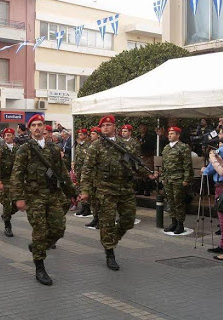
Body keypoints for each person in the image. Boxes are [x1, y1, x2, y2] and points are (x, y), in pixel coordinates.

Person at [80, 115, 155, 271]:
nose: (106, 127)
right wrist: (85, 190)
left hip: (125, 188)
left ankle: (111, 240)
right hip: (105, 189)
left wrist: (148, 174)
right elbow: (87, 170)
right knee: (106, 223)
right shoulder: (96, 146)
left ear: (115, 127)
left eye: (109, 125)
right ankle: (110, 253)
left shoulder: (125, 145)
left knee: (128, 219)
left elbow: (135, 164)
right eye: (103, 126)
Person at [11, 114, 76, 285]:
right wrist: (18, 198)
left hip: (53, 194)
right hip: (34, 197)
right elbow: (17, 175)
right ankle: (39, 266)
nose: (37, 128)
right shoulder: (24, 149)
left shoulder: (53, 149)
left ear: (45, 128)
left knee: (58, 228)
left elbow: (62, 172)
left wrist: (74, 192)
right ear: (30, 129)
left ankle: (37, 247)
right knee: (40, 231)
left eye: (40, 125)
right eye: (34, 125)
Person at [203, 126, 223, 254]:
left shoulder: (221, 150)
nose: (219, 135)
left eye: (221, 133)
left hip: (221, 184)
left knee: (222, 216)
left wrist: (204, 171)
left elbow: (211, 169)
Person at [160, 127, 193, 234]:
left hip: (178, 179)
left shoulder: (183, 147)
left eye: (172, 133)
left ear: (178, 135)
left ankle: (180, 224)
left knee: (179, 202)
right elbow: (164, 165)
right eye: (169, 133)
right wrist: (163, 177)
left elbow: (187, 165)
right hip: (168, 179)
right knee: (170, 201)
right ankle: (173, 222)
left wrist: (186, 179)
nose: (169, 135)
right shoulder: (166, 148)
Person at [0, 128, 19, 237]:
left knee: (17, 203)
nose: (6, 137)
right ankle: (7, 225)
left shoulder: (18, 149)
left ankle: (6, 215)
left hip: (16, 180)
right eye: (5, 135)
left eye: (9, 135)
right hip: (5, 180)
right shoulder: (1, 149)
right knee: (6, 203)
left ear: (13, 136)